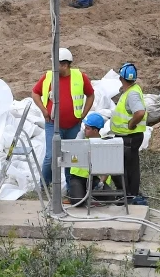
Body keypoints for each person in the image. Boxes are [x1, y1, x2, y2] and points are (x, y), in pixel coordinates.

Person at [30, 48, 94, 198]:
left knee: (71, 157)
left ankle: (71, 189)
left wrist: (83, 113)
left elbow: (90, 95)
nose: (53, 67)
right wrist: (44, 110)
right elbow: (35, 93)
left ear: (65, 65)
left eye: (56, 64)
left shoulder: (80, 77)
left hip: (73, 125)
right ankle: (44, 185)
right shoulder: (48, 77)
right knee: (51, 156)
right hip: (53, 124)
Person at [111, 63, 148, 205]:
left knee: (125, 167)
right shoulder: (131, 90)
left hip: (129, 137)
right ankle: (130, 194)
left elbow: (139, 112)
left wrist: (131, 124)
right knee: (130, 166)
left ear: (121, 78)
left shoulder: (131, 94)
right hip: (129, 137)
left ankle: (127, 195)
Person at [68, 112, 109, 204]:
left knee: (109, 197)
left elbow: (107, 166)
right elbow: (71, 152)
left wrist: (101, 183)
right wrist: (78, 140)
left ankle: (90, 195)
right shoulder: (81, 141)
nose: (84, 130)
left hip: (94, 178)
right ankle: (80, 194)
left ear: (95, 131)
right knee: (77, 201)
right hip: (78, 177)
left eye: (87, 128)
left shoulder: (104, 144)